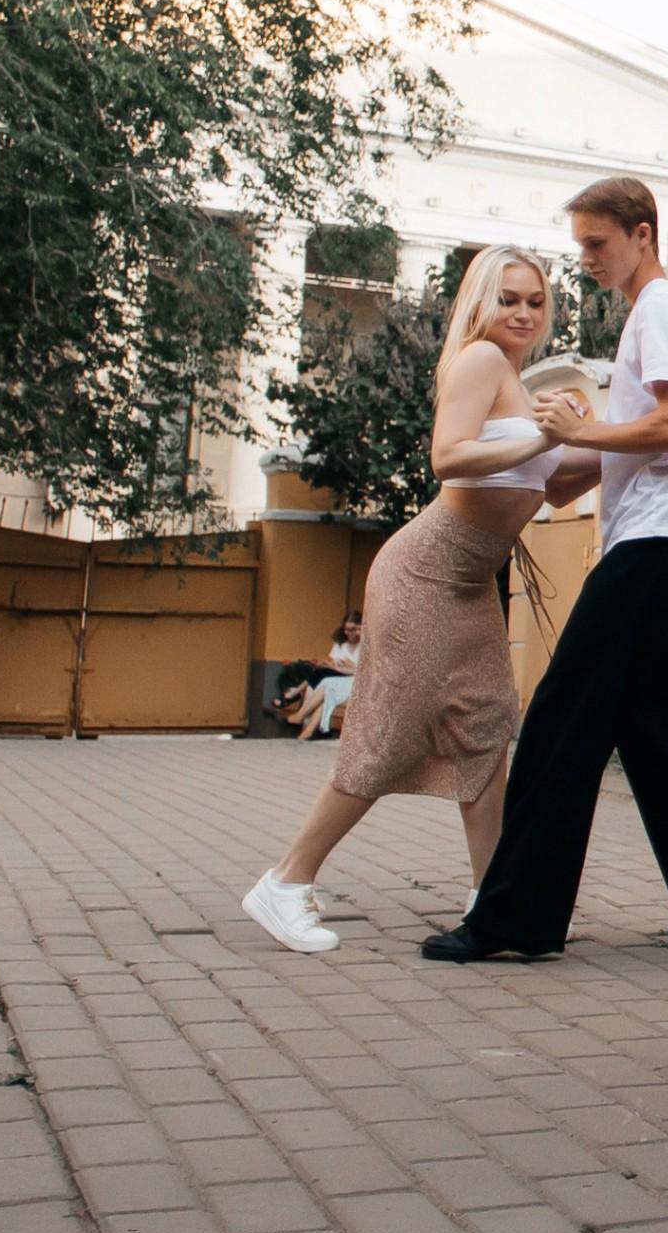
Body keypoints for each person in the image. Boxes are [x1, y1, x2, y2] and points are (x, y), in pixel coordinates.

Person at [421, 178, 668, 962]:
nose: (588, 260)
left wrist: (586, 429)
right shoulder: (652, 314)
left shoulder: (662, 308)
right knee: (641, 718)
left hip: (664, 538)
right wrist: (550, 459)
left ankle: (515, 918)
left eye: (597, 244)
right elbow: (614, 453)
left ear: (643, 233)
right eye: (581, 246)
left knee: (561, 716)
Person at [241, 251, 571, 954]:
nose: (523, 313)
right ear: (482, 302)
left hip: (471, 579)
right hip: (426, 571)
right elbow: (448, 457)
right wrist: (549, 435)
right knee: (388, 731)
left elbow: (560, 485)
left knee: (485, 727)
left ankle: (493, 902)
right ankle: (286, 880)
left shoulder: (517, 380)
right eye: (509, 298)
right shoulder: (481, 361)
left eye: (535, 301)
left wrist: (628, 437)